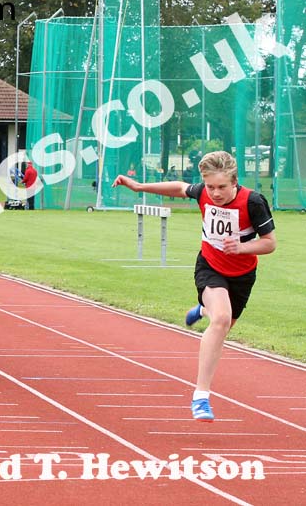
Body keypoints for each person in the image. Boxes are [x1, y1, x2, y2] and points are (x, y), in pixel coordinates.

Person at [112, 150, 276, 422]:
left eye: (222, 187)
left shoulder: (253, 202)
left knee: (222, 325)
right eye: (210, 186)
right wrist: (139, 186)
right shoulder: (202, 193)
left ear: (235, 181)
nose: (215, 193)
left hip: (242, 275)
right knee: (221, 320)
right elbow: (179, 188)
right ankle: (201, 396)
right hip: (209, 267)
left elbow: (270, 243)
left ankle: (202, 310)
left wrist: (243, 247)